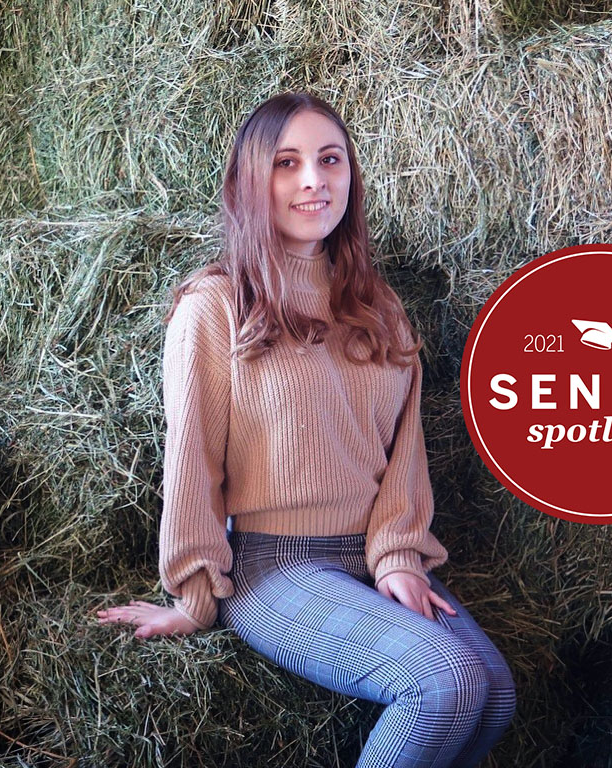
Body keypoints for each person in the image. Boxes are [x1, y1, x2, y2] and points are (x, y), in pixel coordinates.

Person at [96, 91, 516, 767]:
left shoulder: (378, 308)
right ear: (249, 183)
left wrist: (398, 556)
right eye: (287, 164)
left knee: (495, 694)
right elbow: (192, 460)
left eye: (330, 159)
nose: (314, 180)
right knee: (446, 683)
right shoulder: (213, 306)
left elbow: (405, 454)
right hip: (274, 565)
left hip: (364, 554)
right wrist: (195, 596)